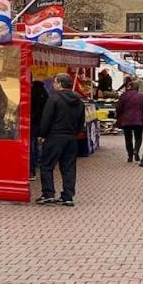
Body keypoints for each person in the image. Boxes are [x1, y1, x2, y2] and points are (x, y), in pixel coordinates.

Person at [37, 73, 86, 206]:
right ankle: (68, 196)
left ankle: (48, 193)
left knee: (47, 165)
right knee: (69, 167)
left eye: (55, 82)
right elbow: (82, 121)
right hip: (71, 138)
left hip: (55, 137)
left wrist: (42, 134)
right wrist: (75, 133)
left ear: (59, 84)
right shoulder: (79, 101)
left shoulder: (54, 99)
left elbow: (46, 119)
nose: (53, 85)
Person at [115, 78, 143, 162]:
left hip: (126, 120)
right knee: (138, 137)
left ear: (129, 87)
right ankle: (136, 151)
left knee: (128, 138)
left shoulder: (124, 95)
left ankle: (130, 156)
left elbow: (118, 108)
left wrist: (117, 117)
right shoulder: (142, 96)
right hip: (138, 119)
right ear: (137, 88)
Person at [29, 77, 49, 178]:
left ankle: (31, 169)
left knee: (31, 144)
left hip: (31, 122)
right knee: (36, 143)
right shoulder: (45, 93)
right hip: (41, 123)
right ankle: (36, 163)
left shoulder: (32, 93)